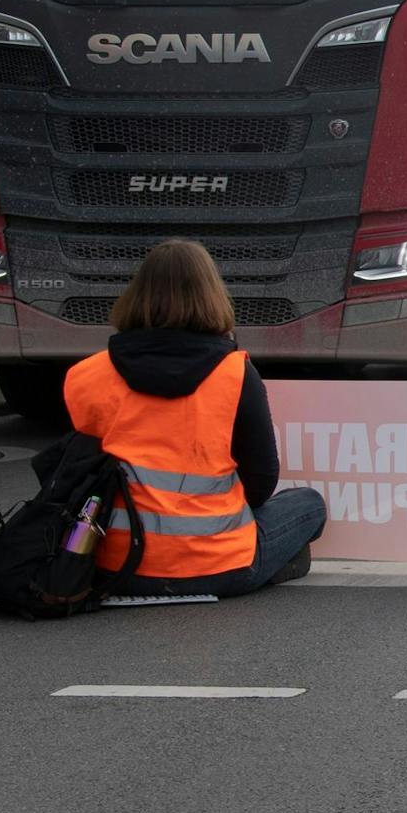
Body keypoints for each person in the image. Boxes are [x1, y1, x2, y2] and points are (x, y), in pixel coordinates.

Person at [64, 240, 326, 597]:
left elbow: (79, 477)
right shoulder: (235, 372)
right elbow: (262, 479)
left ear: (137, 295)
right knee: (309, 504)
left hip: (116, 568)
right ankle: (271, 564)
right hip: (222, 567)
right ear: (211, 296)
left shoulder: (87, 375)